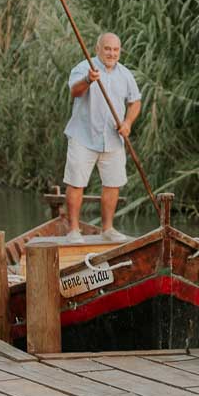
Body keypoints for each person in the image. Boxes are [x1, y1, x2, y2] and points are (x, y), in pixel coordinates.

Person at [62, 32, 142, 243]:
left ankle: (107, 229)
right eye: (107, 49)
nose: (111, 53)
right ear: (98, 49)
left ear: (120, 51)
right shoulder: (83, 68)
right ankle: (73, 231)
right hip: (83, 136)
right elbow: (74, 91)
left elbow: (135, 102)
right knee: (76, 182)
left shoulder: (125, 74)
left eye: (115, 50)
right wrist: (89, 79)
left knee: (113, 183)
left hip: (113, 139)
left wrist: (127, 123)